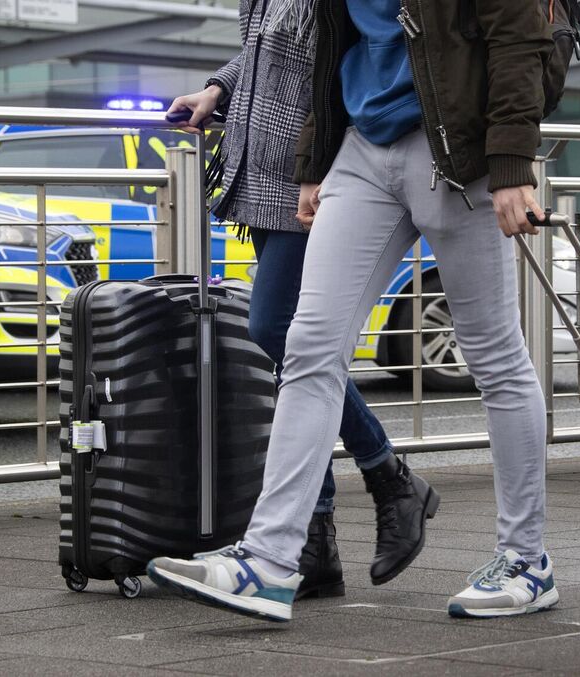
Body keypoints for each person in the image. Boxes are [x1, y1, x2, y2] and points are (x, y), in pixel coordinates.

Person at [148, 0, 555, 622]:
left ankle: (527, 560)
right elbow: (332, 51)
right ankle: (269, 560)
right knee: (309, 344)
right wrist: (315, 164)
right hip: (362, 152)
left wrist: (509, 163)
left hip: (457, 153)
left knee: (494, 355)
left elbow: (520, 38)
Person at [159, 0, 439, 601]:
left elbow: (336, 64)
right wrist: (216, 89)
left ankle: (386, 476)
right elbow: (265, 53)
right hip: (256, 174)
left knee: (280, 330)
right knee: (295, 350)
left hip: (311, 175)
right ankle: (317, 542)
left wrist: (318, 165)